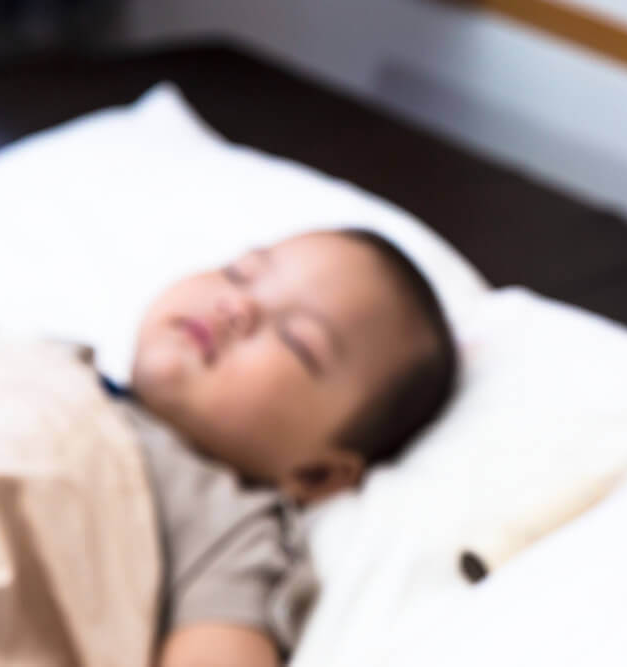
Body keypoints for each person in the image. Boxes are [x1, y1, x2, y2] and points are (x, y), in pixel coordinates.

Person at [119, 228, 457, 665]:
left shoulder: (228, 528)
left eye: (297, 340)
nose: (239, 306)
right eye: (239, 274)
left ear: (317, 474)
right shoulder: (58, 365)